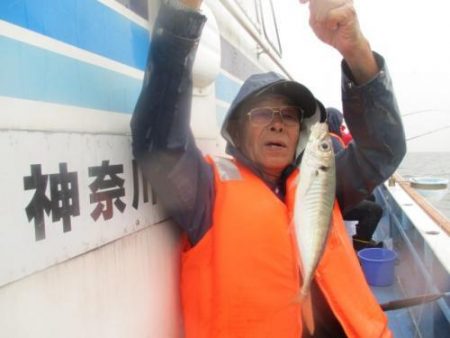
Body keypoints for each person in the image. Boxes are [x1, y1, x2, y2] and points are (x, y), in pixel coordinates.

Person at [131, 0, 406, 337]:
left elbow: (383, 149)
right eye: (262, 114)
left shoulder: (320, 180)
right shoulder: (205, 190)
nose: (278, 125)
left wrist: (355, 49)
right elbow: (159, 142)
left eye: (288, 116)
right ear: (237, 130)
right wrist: (184, 13)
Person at [326, 107, 385, 251]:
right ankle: (360, 245)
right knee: (375, 210)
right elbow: (346, 175)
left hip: (332, 195)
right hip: (333, 203)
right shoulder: (334, 142)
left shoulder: (329, 139)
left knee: (369, 197)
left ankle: (362, 236)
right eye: (340, 121)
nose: (342, 125)